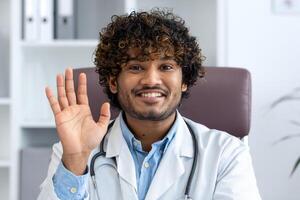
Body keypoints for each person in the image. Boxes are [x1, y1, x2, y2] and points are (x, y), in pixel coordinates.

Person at [38, 10, 261, 200]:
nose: (151, 80)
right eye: (136, 67)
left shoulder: (226, 154)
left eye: (166, 67)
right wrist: (76, 161)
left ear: (184, 81)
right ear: (114, 81)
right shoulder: (72, 151)